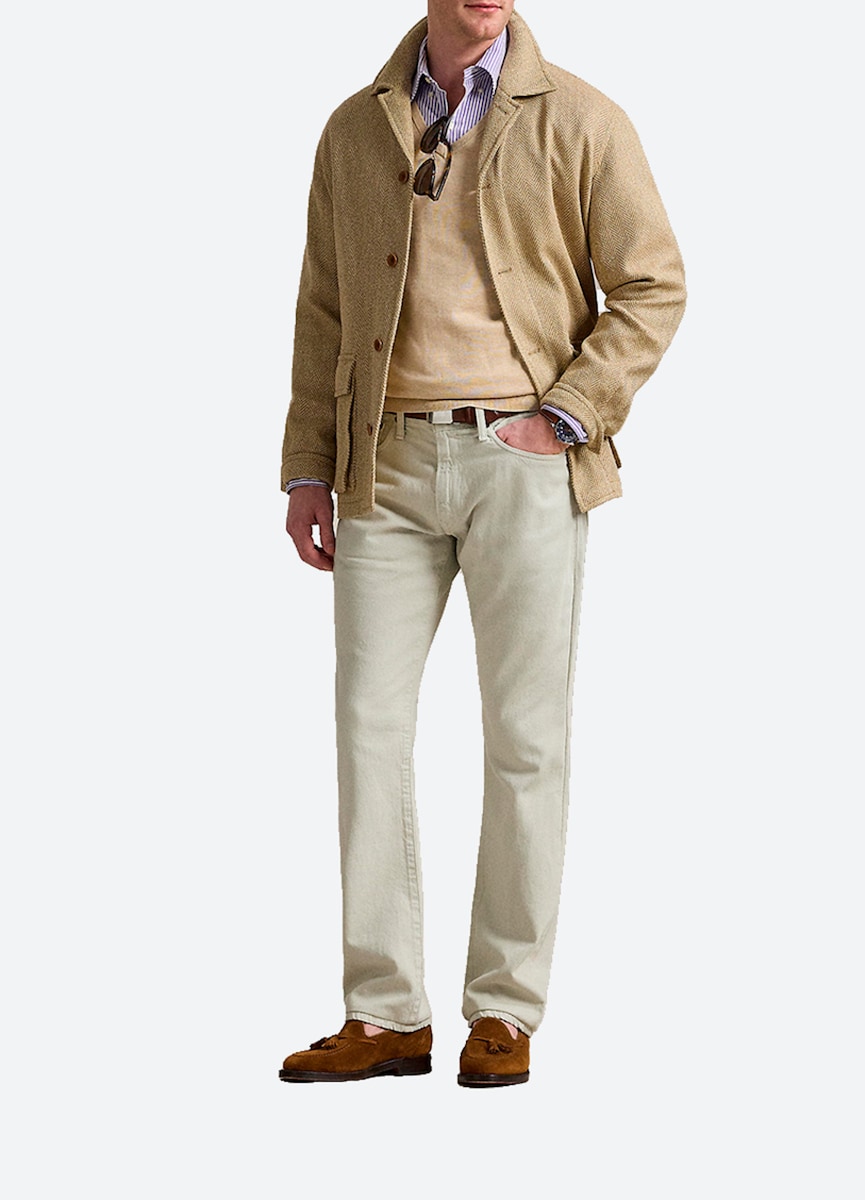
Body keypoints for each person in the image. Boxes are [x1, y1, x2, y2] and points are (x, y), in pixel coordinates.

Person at [278, 0, 685, 1088]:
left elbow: (652, 283)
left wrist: (567, 414)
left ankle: (504, 1008)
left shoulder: (581, 119)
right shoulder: (353, 129)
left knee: (525, 738)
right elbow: (323, 307)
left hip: (524, 460)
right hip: (381, 463)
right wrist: (309, 464)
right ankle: (384, 1014)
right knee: (366, 729)